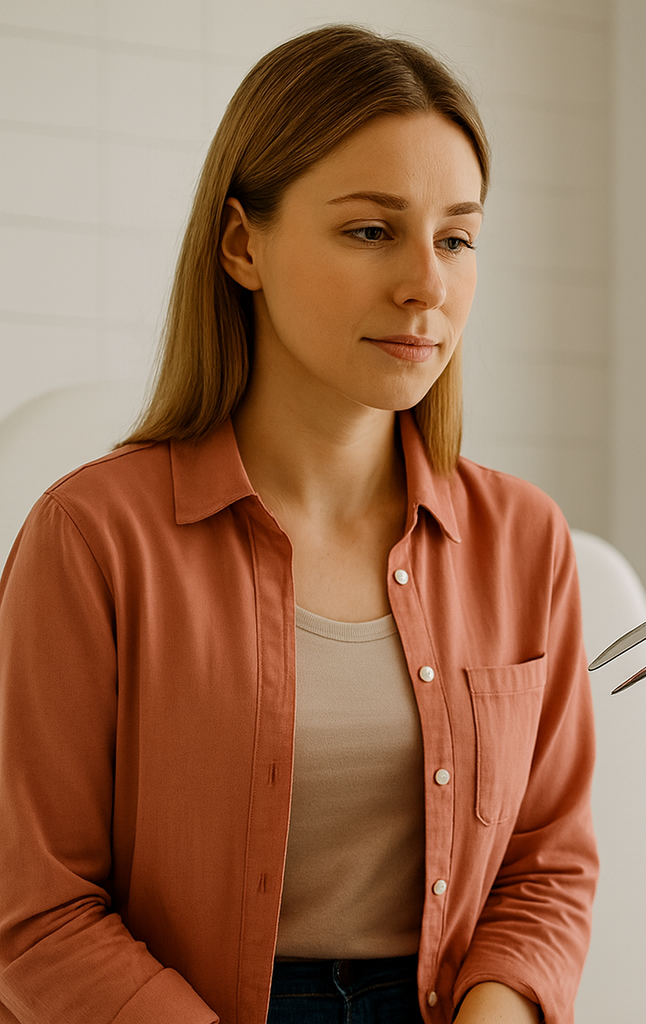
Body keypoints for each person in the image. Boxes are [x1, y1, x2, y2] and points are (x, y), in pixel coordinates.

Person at [0, 26, 597, 1024]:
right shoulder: (88, 537)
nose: (427, 284)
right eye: (371, 231)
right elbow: (35, 911)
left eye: (455, 237)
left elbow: (548, 866)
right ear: (244, 245)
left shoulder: (527, 541)